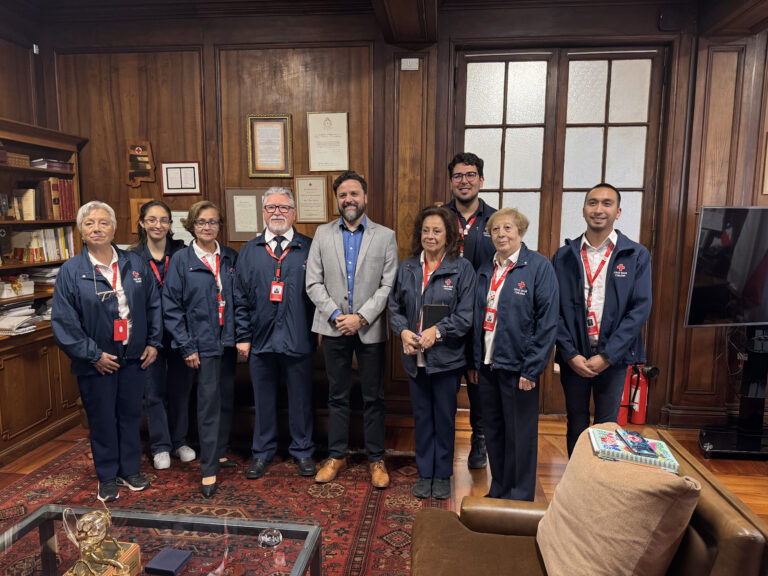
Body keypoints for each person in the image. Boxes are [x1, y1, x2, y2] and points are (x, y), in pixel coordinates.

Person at [52, 200, 161, 502]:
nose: (97, 228)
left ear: (114, 228)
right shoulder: (71, 272)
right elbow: (64, 322)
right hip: (96, 362)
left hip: (133, 357)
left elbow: (153, 304)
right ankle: (107, 475)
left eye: (103, 222)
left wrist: (153, 342)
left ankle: (129, 469)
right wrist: (93, 355)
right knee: (102, 419)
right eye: (90, 223)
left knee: (129, 415)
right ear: (81, 230)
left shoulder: (134, 263)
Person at [306, 170, 398, 488]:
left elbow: (388, 285)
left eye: (354, 194)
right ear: (337, 200)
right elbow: (313, 282)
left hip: (369, 328)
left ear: (365, 197)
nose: (348, 199)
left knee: (373, 397)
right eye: (343, 195)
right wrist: (335, 315)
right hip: (332, 328)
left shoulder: (385, 236)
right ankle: (336, 455)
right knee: (337, 395)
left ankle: (376, 460)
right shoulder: (322, 234)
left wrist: (360, 317)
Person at [552, 183, 652, 457]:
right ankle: (577, 481)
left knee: (607, 426)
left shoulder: (636, 255)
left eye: (607, 204)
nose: (599, 209)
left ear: (618, 212)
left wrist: (608, 355)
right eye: (593, 203)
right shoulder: (564, 255)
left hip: (613, 357)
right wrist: (569, 354)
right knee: (576, 423)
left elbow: (640, 309)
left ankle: (602, 486)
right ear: (584, 210)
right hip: (575, 357)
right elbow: (553, 310)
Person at [471, 207, 558, 501]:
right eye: (495, 229)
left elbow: (547, 322)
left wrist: (531, 369)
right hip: (487, 365)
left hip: (519, 368)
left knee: (520, 435)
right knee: (493, 431)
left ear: (521, 232)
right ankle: (499, 488)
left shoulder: (538, 267)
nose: (501, 234)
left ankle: (520, 496)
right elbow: (475, 319)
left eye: (508, 228)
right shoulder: (485, 269)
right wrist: (474, 361)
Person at [388, 206, 475, 499]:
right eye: (426, 230)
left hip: (446, 359)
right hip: (415, 359)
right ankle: (425, 472)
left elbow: (465, 316)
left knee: (444, 418)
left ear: (448, 235)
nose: (430, 236)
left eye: (437, 230)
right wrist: (402, 331)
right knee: (423, 418)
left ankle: (443, 474)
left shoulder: (461, 269)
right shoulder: (408, 267)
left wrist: (436, 332)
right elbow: (395, 308)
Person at [234, 187, 316, 480]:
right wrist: (242, 337)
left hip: (298, 339)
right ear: (263, 212)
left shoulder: (309, 248)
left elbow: (320, 294)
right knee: (263, 400)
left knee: (301, 401)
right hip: (260, 341)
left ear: (294, 212)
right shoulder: (250, 251)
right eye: (271, 207)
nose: (277, 212)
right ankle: (262, 453)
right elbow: (239, 298)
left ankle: (303, 451)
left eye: (284, 207)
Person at [163, 200, 238, 497]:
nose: (207, 227)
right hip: (201, 346)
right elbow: (171, 307)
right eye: (201, 222)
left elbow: (240, 301)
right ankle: (208, 471)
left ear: (220, 225)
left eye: (213, 222)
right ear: (192, 225)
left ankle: (219, 453)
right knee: (208, 407)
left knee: (225, 401)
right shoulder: (181, 260)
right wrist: (186, 346)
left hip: (227, 342)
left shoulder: (231, 257)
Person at [130, 200, 195, 470]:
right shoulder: (131, 258)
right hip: (148, 338)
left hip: (180, 333)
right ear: (143, 223)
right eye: (152, 219)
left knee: (181, 391)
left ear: (170, 224)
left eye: (164, 220)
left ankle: (180, 441)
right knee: (153, 392)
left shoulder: (182, 253)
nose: (158, 225)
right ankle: (160, 445)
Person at [444, 152, 496, 469]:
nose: (465, 180)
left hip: (484, 315)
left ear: (481, 180)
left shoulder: (495, 219)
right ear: (451, 181)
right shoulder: (438, 218)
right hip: (446, 315)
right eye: (458, 175)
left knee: (479, 384)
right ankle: (443, 443)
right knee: (445, 383)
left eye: (471, 174)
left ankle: (480, 440)